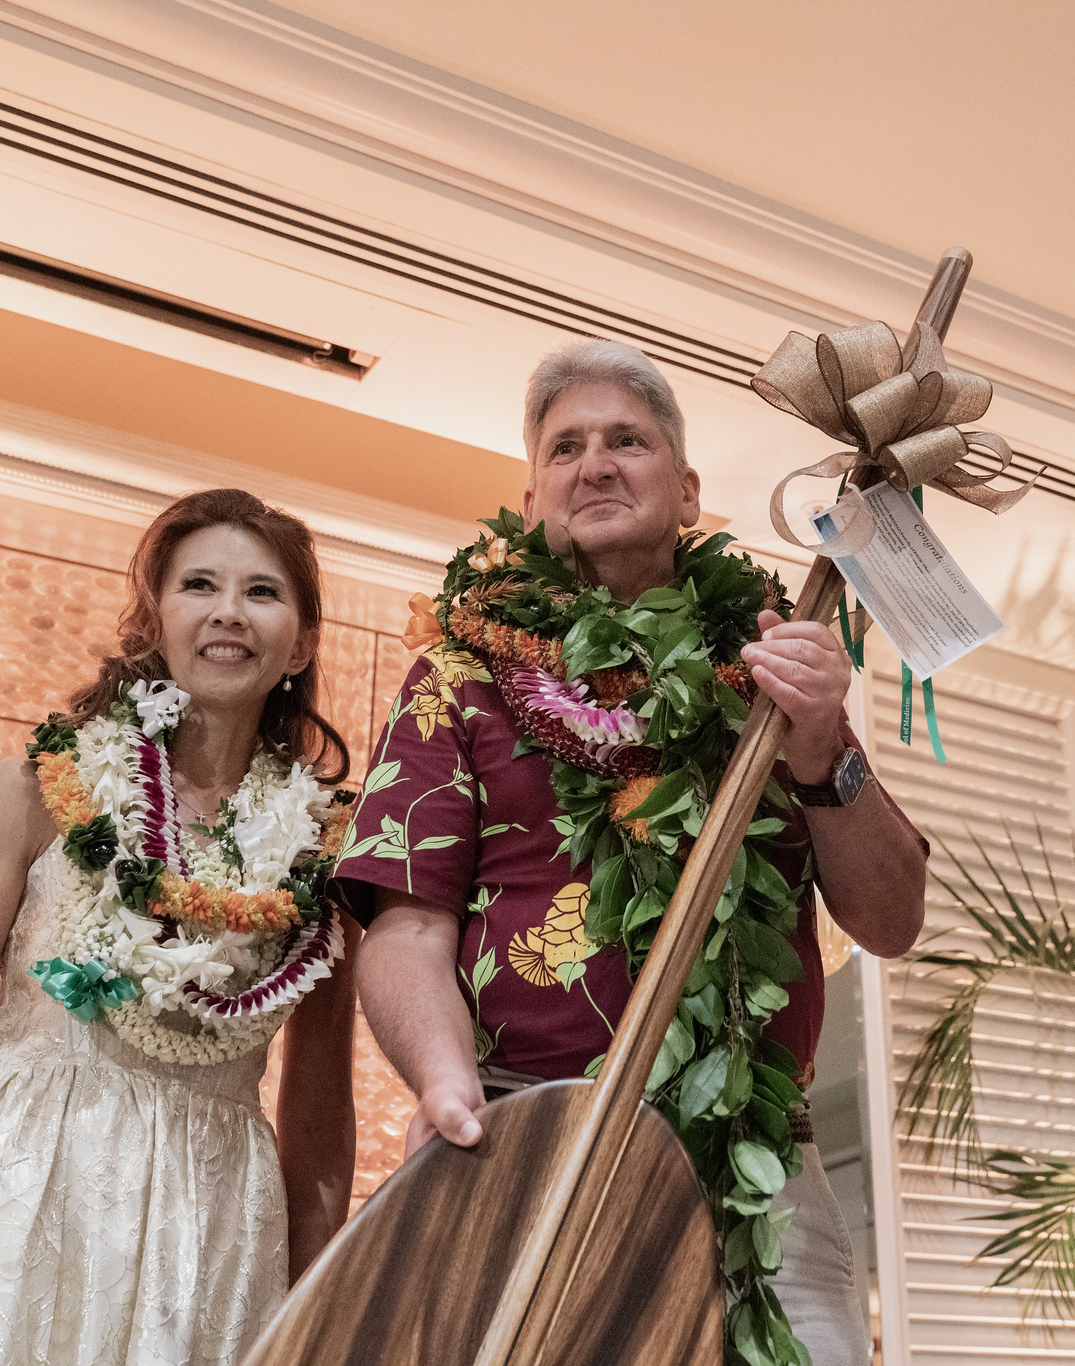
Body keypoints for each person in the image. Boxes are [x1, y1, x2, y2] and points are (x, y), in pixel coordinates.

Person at [333, 339, 928, 1363]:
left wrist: (822, 745)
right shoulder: (455, 675)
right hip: (526, 1151)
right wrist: (440, 1084)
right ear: (530, 503)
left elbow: (891, 918)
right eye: (564, 447)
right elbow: (407, 922)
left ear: (688, 491)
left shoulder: (771, 665)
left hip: (755, 1168)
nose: (595, 464)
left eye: (626, 441)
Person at [0, 489, 361, 1366]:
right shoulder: (35, 792)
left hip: (210, 1230)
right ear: (154, 619)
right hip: (16, 1197)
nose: (227, 613)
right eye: (199, 585)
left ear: (305, 638)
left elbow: (320, 1112)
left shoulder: (328, 851)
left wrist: (315, 1322)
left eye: (262, 592)